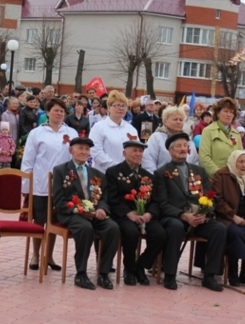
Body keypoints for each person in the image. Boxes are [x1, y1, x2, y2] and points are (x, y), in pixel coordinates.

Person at [152, 132, 226, 291]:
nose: (182, 149)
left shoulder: (199, 171)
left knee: (219, 229)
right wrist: (183, 215)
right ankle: (170, 274)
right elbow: (162, 204)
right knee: (176, 227)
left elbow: (210, 198)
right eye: (178, 146)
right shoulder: (162, 173)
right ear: (170, 151)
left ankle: (210, 275)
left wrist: (204, 213)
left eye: (185, 146)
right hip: (175, 217)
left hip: (198, 217)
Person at [52, 137, 120, 290]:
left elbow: (103, 197)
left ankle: (103, 273)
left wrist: (102, 209)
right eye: (80, 148)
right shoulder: (60, 170)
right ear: (71, 150)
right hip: (71, 214)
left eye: (87, 149)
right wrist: (78, 210)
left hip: (94, 213)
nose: (84, 152)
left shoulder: (97, 174)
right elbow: (58, 200)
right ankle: (81, 273)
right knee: (85, 228)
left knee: (113, 228)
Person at [19, 98, 76, 270]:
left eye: (62, 111)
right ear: (48, 112)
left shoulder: (72, 133)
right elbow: (28, 160)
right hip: (40, 184)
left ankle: (49, 256)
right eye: (56, 110)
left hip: (62, 186)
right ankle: (36, 255)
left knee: (54, 222)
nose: (59, 114)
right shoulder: (37, 133)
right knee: (40, 220)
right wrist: (25, 186)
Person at [106, 140, 165, 286]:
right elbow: (112, 199)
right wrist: (129, 214)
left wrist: (149, 214)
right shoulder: (113, 172)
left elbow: (156, 201)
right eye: (134, 151)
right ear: (124, 153)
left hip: (145, 215)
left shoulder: (148, 176)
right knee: (130, 232)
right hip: (124, 215)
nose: (138, 154)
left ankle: (142, 265)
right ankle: (129, 269)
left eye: (140, 151)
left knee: (160, 234)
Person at [212, 150, 245, 288]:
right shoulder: (221, 175)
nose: (243, 165)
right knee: (236, 234)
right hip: (226, 218)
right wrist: (233, 216)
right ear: (233, 162)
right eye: (240, 162)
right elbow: (218, 200)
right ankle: (233, 273)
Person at [89, 91, 139, 174]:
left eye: (124, 106)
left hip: (127, 174)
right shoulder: (99, 127)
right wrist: (117, 167)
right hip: (105, 174)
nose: (121, 108)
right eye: (117, 105)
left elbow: (137, 151)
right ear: (108, 108)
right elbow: (96, 152)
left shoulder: (131, 129)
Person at [141, 105, 198, 173]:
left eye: (181, 120)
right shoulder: (156, 137)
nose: (178, 122)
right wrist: (155, 178)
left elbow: (195, 161)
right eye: (175, 119)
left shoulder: (188, 140)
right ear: (165, 121)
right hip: (162, 179)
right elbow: (148, 160)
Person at [199, 97, 244, 177]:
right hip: (215, 179)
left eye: (231, 112)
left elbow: (241, 158)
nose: (229, 114)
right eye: (225, 111)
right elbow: (204, 158)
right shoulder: (208, 131)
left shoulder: (236, 134)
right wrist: (219, 175)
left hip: (234, 179)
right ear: (218, 113)